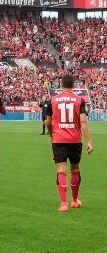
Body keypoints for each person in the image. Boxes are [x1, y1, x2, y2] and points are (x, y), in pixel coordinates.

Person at [43, 74, 93, 212]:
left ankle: (64, 204)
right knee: (75, 169)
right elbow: (83, 121)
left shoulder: (53, 100)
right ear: (73, 86)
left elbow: (47, 121)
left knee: (61, 171)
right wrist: (89, 141)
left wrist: (52, 134)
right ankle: (75, 201)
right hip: (75, 139)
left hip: (58, 139)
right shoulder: (79, 100)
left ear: (61, 85)